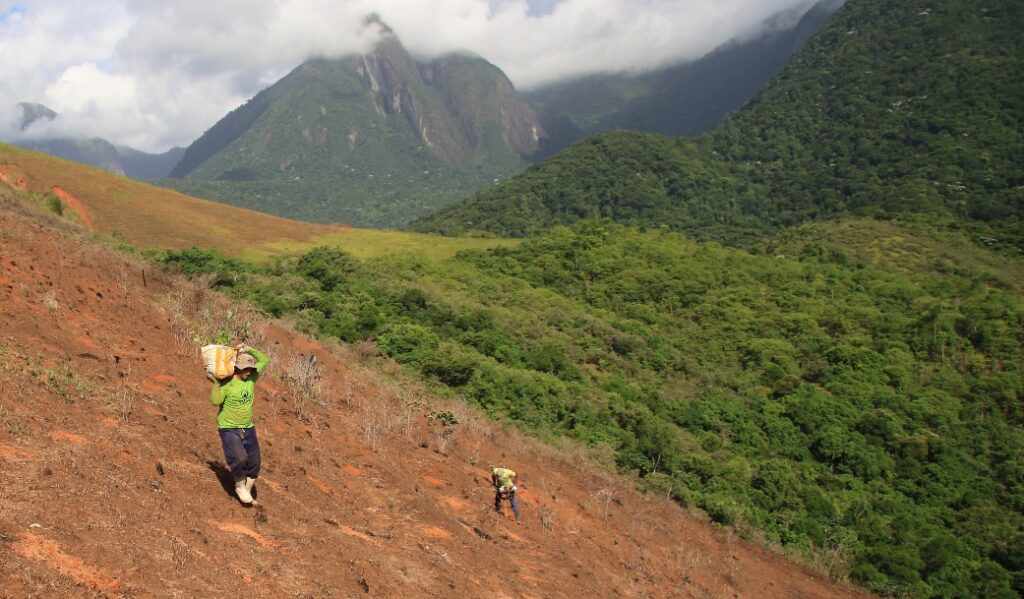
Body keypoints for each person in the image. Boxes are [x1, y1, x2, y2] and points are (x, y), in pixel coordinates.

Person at [210, 343, 269, 505]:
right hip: (228, 427)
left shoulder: (252, 379)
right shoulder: (227, 383)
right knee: (240, 458)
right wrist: (216, 383)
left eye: (250, 368)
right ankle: (239, 486)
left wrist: (248, 348)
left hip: (247, 427)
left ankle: (246, 488)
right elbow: (215, 401)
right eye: (245, 368)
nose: (249, 371)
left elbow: (265, 360)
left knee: (254, 462)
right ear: (236, 368)